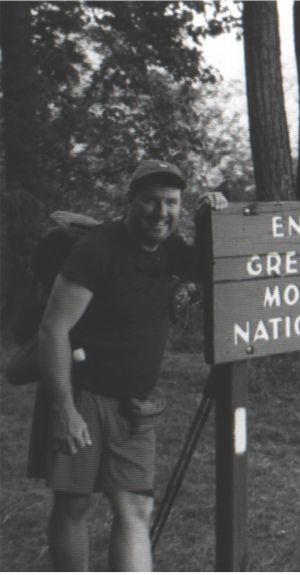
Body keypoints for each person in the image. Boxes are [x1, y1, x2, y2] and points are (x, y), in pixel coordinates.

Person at [36, 159, 227, 571]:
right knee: (74, 504)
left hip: (136, 405)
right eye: (151, 201)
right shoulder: (97, 250)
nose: (162, 212)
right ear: (130, 202)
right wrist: (64, 410)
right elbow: (54, 330)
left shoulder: (169, 248)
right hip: (82, 395)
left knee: (136, 506)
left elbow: (206, 269)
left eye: (172, 203)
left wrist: (213, 215)